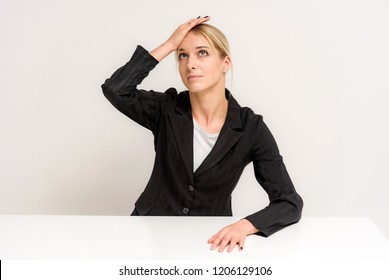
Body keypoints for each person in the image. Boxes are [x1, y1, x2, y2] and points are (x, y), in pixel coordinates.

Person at [101, 16, 303, 253]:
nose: (190, 64)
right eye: (183, 55)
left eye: (202, 53)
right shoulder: (167, 109)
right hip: (147, 234)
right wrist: (169, 44)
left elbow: (289, 202)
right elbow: (116, 89)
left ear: (225, 62)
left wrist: (244, 226)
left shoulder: (250, 127)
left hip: (209, 241)